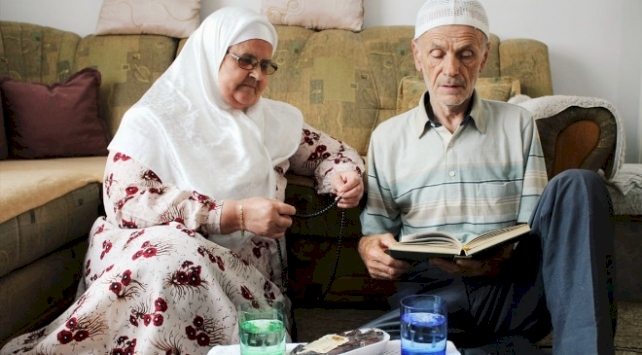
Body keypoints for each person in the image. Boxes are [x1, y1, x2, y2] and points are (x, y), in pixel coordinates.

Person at [0, 7, 364, 355]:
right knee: (168, 254)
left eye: (266, 65)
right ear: (209, 55)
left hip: (239, 275)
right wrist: (230, 214)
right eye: (245, 60)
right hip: (148, 260)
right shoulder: (152, 119)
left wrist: (343, 177)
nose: (257, 74)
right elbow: (126, 201)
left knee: (174, 260)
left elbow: (332, 154)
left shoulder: (276, 122)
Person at [357, 0, 616, 354]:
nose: (451, 69)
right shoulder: (386, 138)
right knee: (351, 348)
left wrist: (498, 259)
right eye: (437, 54)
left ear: (484, 56)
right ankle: (504, 350)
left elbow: (536, 232)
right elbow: (375, 233)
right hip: (433, 301)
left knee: (580, 183)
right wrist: (370, 247)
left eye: (466, 54)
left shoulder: (518, 123)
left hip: (511, 293)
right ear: (417, 56)